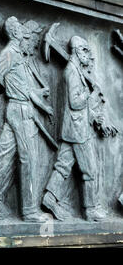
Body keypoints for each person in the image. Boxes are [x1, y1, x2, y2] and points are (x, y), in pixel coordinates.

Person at [0, 16, 52, 223]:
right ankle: (29, 210)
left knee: (2, 156)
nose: (27, 40)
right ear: (16, 34)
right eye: (25, 36)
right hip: (19, 111)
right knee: (29, 160)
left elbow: (23, 87)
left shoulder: (19, 56)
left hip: (21, 109)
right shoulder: (9, 53)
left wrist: (40, 95)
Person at [42, 36, 110, 222]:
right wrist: (89, 93)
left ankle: (49, 198)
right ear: (78, 51)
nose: (89, 55)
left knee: (63, 166)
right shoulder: (71, 72)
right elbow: (75, 102)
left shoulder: (74, 70)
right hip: (78, 131)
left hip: (74, 128)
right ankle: (90, 209)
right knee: (90, 169)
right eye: (86, 51)